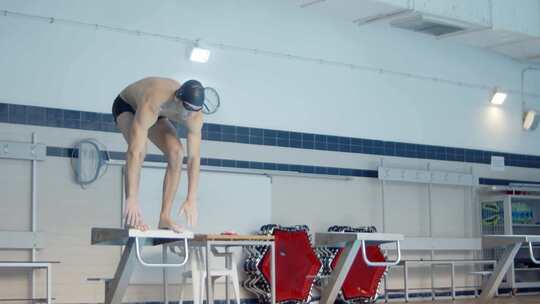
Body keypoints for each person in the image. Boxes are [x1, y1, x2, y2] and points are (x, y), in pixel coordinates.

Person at [112, 77, 204, 232]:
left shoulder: (195, 116)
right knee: (141, 151)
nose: (189, 114)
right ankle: (132, 217)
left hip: (161, 113)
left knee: (177, 153)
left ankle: (164, 218)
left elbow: (194, 159)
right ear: (177, 99)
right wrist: (132, 198)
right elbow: (134, 152)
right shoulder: (153, 101)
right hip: (127, 105)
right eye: (186, 108)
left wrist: (191, 198)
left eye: (193, 110)